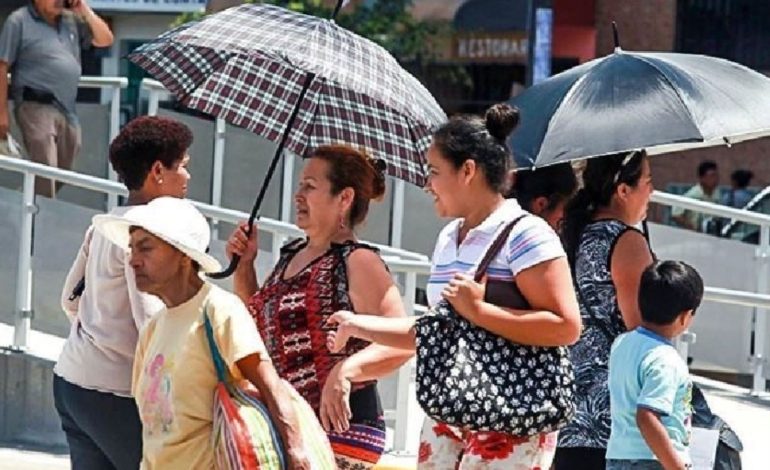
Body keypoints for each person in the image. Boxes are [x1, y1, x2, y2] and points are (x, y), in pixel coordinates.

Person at [325, 104, 582, 469]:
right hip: (451, 408)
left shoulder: (527, 234)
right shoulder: (449, 237)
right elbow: (439, 330)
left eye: (433, 171)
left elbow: (566, 326)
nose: (427, 184)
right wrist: (356, 325)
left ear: (468, 171)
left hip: (513, 415)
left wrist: (480, 311)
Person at [226, 144, 413, 469]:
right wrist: (244, 265)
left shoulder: (358, 261)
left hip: (340, 425)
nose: (298, 195)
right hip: (293, 421)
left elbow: (403, 342)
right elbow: (257, 325)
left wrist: (345, 371)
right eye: (300, 185)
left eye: (310, 187)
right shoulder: (291, 255)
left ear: (345, 198)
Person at [92, 197, 312, 469]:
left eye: (145, 248)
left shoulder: (219, 311)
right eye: (131, 249)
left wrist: (295, 450)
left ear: (184, 255)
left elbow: (270, 385)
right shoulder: (153, 328)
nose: (133, 261)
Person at [56, 116, 193, 470]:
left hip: (72, 384)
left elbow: (70, 299)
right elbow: (152, 322)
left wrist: (101, 333)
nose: (187, 178)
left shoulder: (104, 225)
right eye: (182, 166)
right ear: (158, 171)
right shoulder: (148, 235)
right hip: (117, 396)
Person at [554, 150, 655, 469]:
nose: (652, 191)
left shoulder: (571, 233)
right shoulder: (626, 243)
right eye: (648, 182)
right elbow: (640, 331)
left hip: (567, 404)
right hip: (612, 413)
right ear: (623, 190)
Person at [0, 0, 113, 197]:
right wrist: (1, 114)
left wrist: (83, 9)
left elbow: (105, 39)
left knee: (63, 169)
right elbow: (2, 67)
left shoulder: (70, 21)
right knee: (45, 166)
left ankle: (28, 202)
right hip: (34, 103)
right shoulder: (19, 21)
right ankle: (39, 220)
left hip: (67, 108)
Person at [607, 260, 703, 470]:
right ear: (685, 316)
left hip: (617, 456)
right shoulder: (665, 359)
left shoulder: (622, 344)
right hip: (653, 461)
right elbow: (647, 417)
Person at [506, 162, 578, 231]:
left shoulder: (499, 225)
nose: (565, 217)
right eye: (565, 207)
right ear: (541, 204)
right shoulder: (540, 240)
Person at [671, 160, 720, 232]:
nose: (715, 179)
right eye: (712, 176)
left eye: (716, 175)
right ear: (702, 178)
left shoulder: (716, 194)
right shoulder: (693, 194)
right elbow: (676, 214)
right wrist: (690, 227)